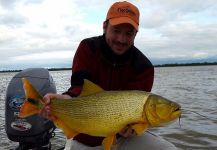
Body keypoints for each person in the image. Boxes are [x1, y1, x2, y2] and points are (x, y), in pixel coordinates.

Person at [40, 1, 177, 150]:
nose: (121, 39)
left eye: (128, 33)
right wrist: (63, 100)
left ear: (136, 34)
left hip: (121, 139)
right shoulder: (88, 48)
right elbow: (79, 88)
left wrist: (131, 129)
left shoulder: (144, 67)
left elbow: (136, 119)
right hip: (83, 136)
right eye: (116, 30)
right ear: (105, 27)